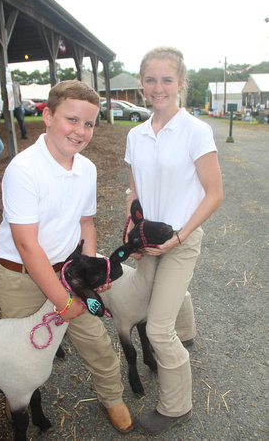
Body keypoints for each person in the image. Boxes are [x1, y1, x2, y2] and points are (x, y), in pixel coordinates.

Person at [0, 80, 133, 434]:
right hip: (21, 277)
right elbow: (27, 245)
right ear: (47, 115)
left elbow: (86, 222)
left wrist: (88, 270)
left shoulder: (87, 169)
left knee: (97, 341)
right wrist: (61, 300)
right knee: (24, 352)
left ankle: (113, 397)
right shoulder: (23, 170)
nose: (80, 131)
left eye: (88, 123)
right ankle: (20, 401)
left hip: (69, 273)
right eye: (71, 120)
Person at [124, 46, 223, 435]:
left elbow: (214, 194)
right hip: (148, 238)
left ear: (181, 83)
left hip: (181, 239)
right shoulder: (135, 134)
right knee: (161, 294)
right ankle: (189, 332)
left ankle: (176, 406)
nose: (158, 87)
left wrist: (180, 237)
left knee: (156, 328)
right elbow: (134, 189)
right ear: (142, 84)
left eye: (167, 79)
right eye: (151, 79)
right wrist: (131, 226)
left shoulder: (196, 131)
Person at [11, 72, 28, 139]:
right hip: (10, 106)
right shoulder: (7, 84)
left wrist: (20, 102)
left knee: (21, 119)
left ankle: (24, 134)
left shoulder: (16, 84)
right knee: (10, 121)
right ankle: (11, 135)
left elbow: (19, 93)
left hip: (17, 104)